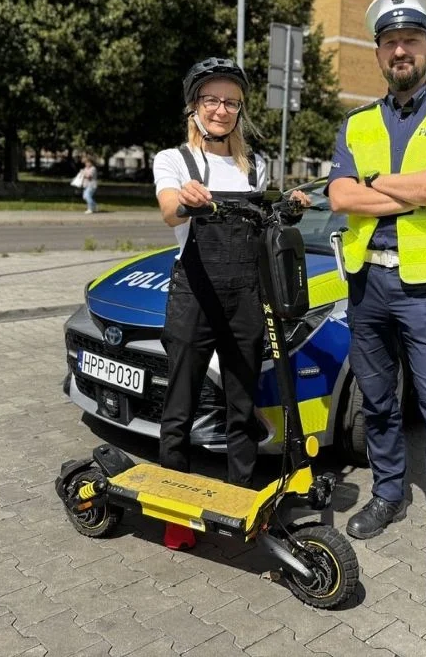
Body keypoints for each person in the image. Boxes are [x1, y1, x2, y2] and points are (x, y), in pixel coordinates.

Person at [327, 0, 426, 607]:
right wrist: (412, 189)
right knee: (378, 404)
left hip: (425, 292)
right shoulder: (357, 122)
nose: (399, 50)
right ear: (378, 52)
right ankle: (389, 493)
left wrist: (376, 186)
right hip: (368, 285)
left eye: (410, 41)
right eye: (389, 42)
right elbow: (340, 197)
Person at [152, 57, 308, 551]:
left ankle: (240, 501)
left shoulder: (257, 166)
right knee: (180, 405)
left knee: (242, 405)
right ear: (195, 106)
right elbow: (167, 211)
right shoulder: (174, 160)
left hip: (247, 294)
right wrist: (187, 201)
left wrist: (289, 208)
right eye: (211, 100)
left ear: (239, 111)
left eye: (231, 102)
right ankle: (174, 511)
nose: (221, 110)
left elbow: (268, 225)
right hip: (193, 295)